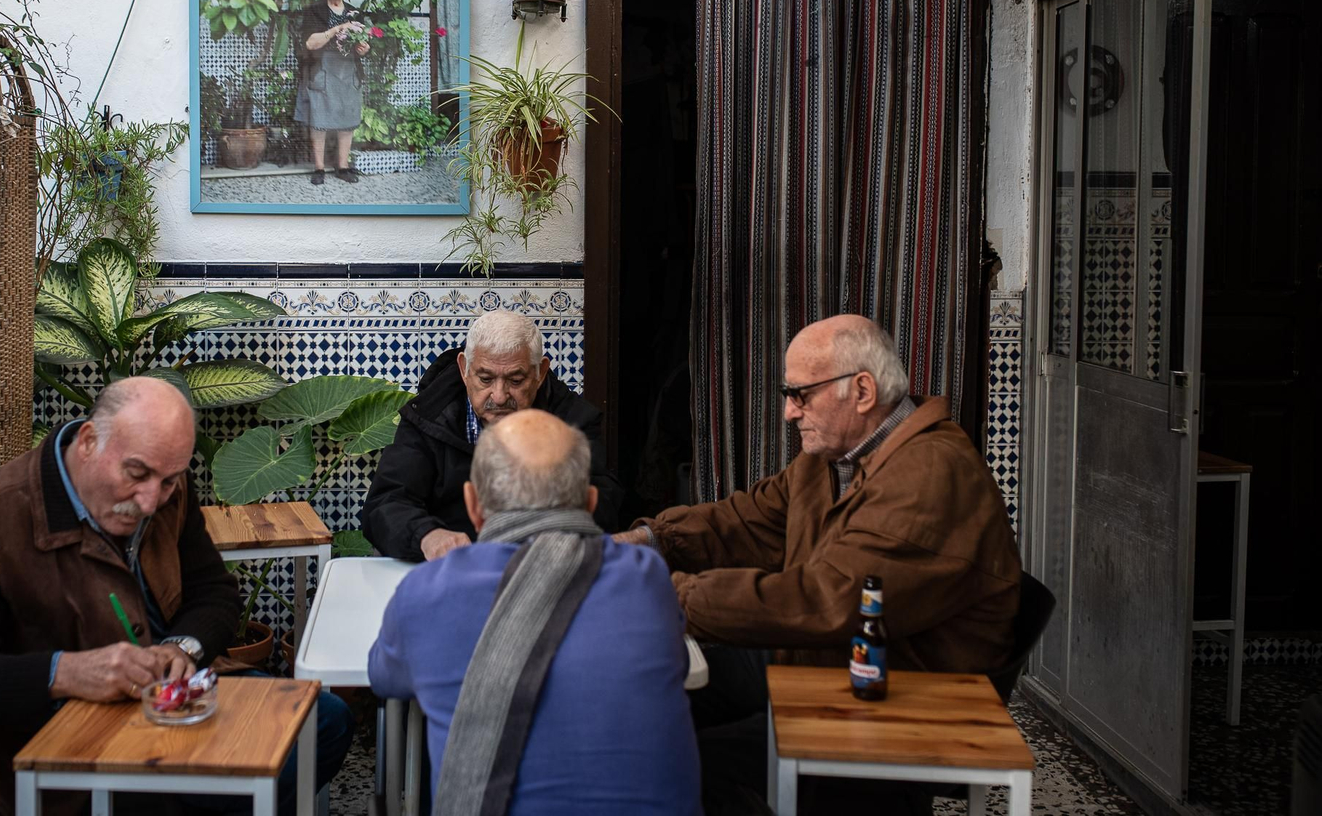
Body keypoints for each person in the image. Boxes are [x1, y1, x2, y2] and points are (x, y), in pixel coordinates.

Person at [0, 377, 353, 816]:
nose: (151, 499)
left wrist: (182, 648)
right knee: (149, 797)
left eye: (169, 480)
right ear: (89, 442)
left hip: (167, 710)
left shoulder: (167, 488)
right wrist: (65, 672)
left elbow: (214, 593)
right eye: (137, 474)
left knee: (323, 721)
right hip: (65, 741)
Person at [615, 314, 1021, 814]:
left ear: (863, 391)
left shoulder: (931, 474)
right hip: (826, 662)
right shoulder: (834, 458)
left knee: (686, 757)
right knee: (657, 689)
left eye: (800, 394)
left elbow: (827, 598)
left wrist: (660, 594)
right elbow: (747, 520)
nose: (789, 412)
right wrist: (646, 541)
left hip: (892, 691)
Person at [369, 409, 701, 816]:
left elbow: (385, 679)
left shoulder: (425, 594)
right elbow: (677, 661)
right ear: (591, 503)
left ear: (473, 505)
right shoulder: (647, 579)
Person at [360, 309, 621, 561]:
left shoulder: (572, 421)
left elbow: (603, 503)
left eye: (515, 381)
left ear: (540, 373)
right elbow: (386, 503)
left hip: (538, 563)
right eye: (485, 379)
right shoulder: (429, 416)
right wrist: (427, 536)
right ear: (464, 368)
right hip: (447, 566)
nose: (499, 396)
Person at [295, 0, 370, 185]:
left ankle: (343, 167)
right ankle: (319, 168)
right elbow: (309, 43)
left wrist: (364, 48)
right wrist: (337, 29)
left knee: (347, 120)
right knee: (319, 119)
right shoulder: (314, 11)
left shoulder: (354, 13)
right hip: (322, 69)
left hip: (348, 71)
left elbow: (362, 44)